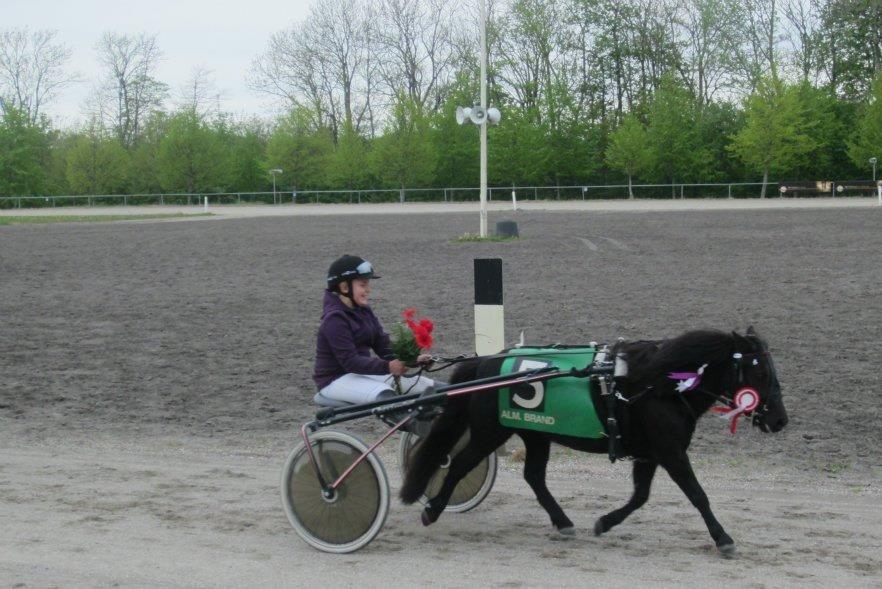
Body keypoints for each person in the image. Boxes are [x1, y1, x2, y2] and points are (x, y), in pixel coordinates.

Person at [313, 255, 436, 407]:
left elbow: (382, 344)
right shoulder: (334, 319)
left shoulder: (363, 310)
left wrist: (412, 359)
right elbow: (350, 361)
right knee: (385, 393)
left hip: (361, 373)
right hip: (336, 380)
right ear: (345, 287)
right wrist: (388, 367)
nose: (368, 290)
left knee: (428, 386)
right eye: (363, 285)